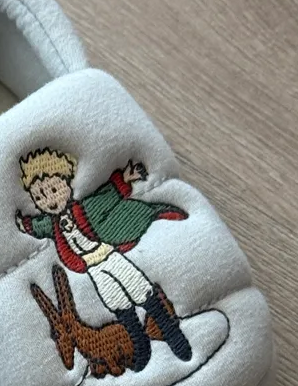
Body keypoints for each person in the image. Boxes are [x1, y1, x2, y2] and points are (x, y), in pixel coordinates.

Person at [15, 148, 192, 367]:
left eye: (53, 189)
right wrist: (24, 224)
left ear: (67, 184)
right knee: (115, 300)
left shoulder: (85, 208)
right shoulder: (52, 224)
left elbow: (107, 196)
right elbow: (37, 226)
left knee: (138, 287)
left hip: (109, 255)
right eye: (39, 197)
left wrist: (125, 178)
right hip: (93, 268)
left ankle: (171, 332)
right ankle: (140, 346)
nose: (49, 200)